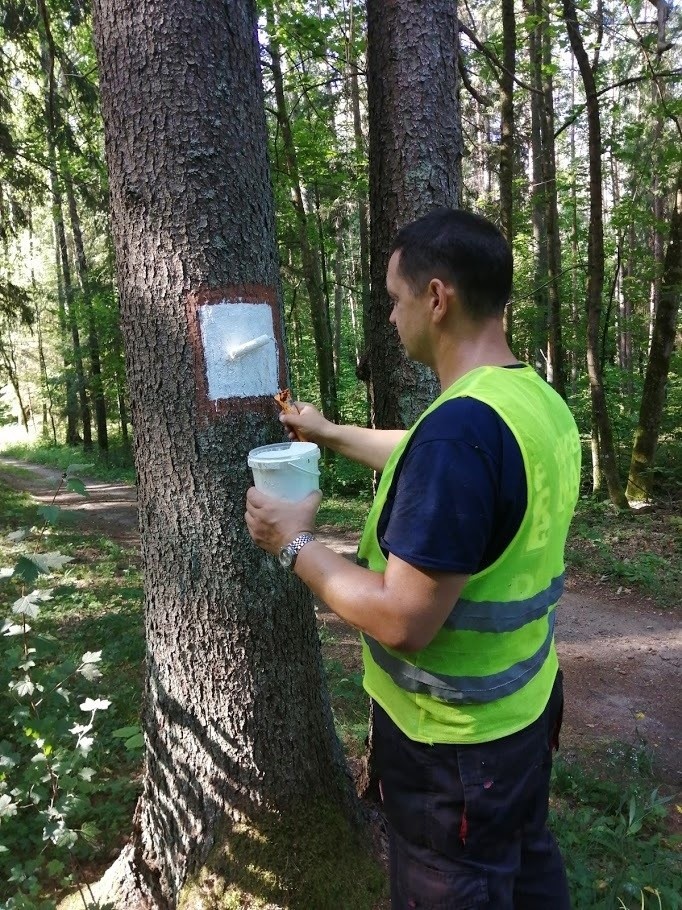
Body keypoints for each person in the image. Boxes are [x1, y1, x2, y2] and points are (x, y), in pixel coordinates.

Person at [245, 208, 581, 909]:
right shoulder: (528, 401)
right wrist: (330, 433)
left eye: (397, 300)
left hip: (454, 753)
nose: (393, 318)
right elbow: (435, 455)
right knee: (525, 876)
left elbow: (403, 619)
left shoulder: (461, 432)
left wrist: (294, 543)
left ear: (437, 297)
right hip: (520, 718)